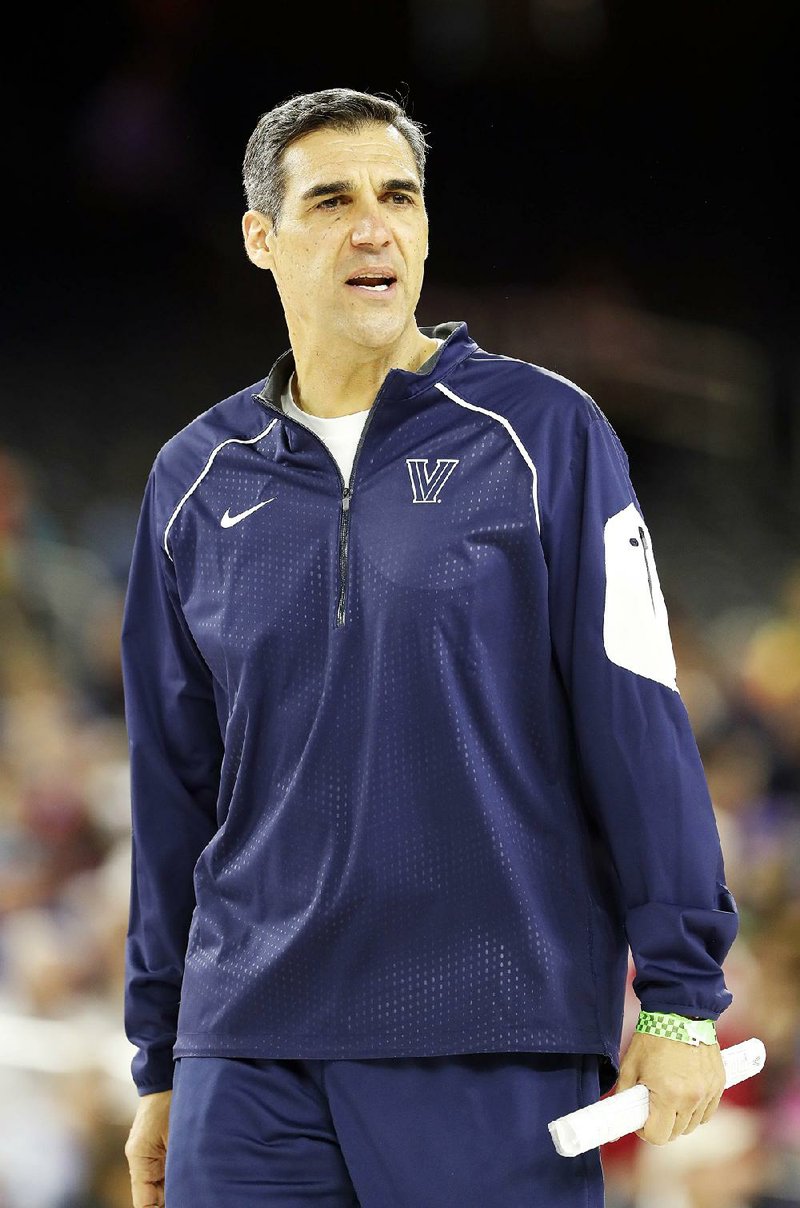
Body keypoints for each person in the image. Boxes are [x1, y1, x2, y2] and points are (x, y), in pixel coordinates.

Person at [121, 88, 739, 1207]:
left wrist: (677, 994)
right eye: (333, 200)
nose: (374, 227)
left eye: (397, 196)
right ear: (262, 236)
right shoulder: (192, 478)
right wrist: (160, 1060)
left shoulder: (544, 432)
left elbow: (635, 716)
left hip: (488, 1026)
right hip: (245, 1049)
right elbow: (174, 790)